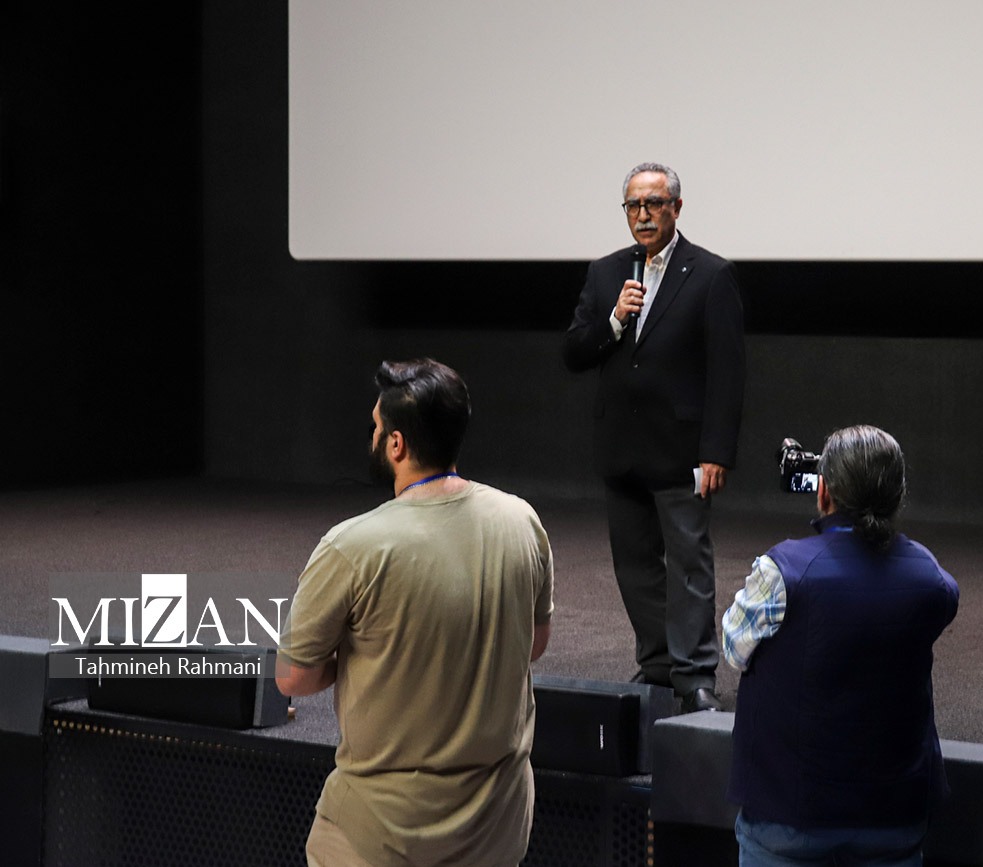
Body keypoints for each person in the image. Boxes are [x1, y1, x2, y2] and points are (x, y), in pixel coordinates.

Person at [276, 358, 555, 867]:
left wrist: (367, 654)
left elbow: (294, 677)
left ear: (397, 444)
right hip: (496, 831)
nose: (372, 438)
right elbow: (533, 644)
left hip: (380, 839)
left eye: (376, 429)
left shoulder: (349, 546)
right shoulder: (522, 521)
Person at [723, 425, 959, 867]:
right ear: (897, 495)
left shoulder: (782, 571)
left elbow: (734, 649)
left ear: (824, 491)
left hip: (789, 819)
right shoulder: (931, 578)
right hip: (893, 820)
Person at [562, 161, 745, 713]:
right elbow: (574, 352)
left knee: (689, 567)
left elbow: (728, 373)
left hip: (681, 451)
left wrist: (716, 451)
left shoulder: (710, 274)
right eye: (633, 206)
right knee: (635, 569)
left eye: (654, 204)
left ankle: (695, 674)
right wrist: (614, 320)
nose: (643, 215)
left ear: (676, 209)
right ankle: (660, 664)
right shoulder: (606, 273)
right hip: (621, 449)